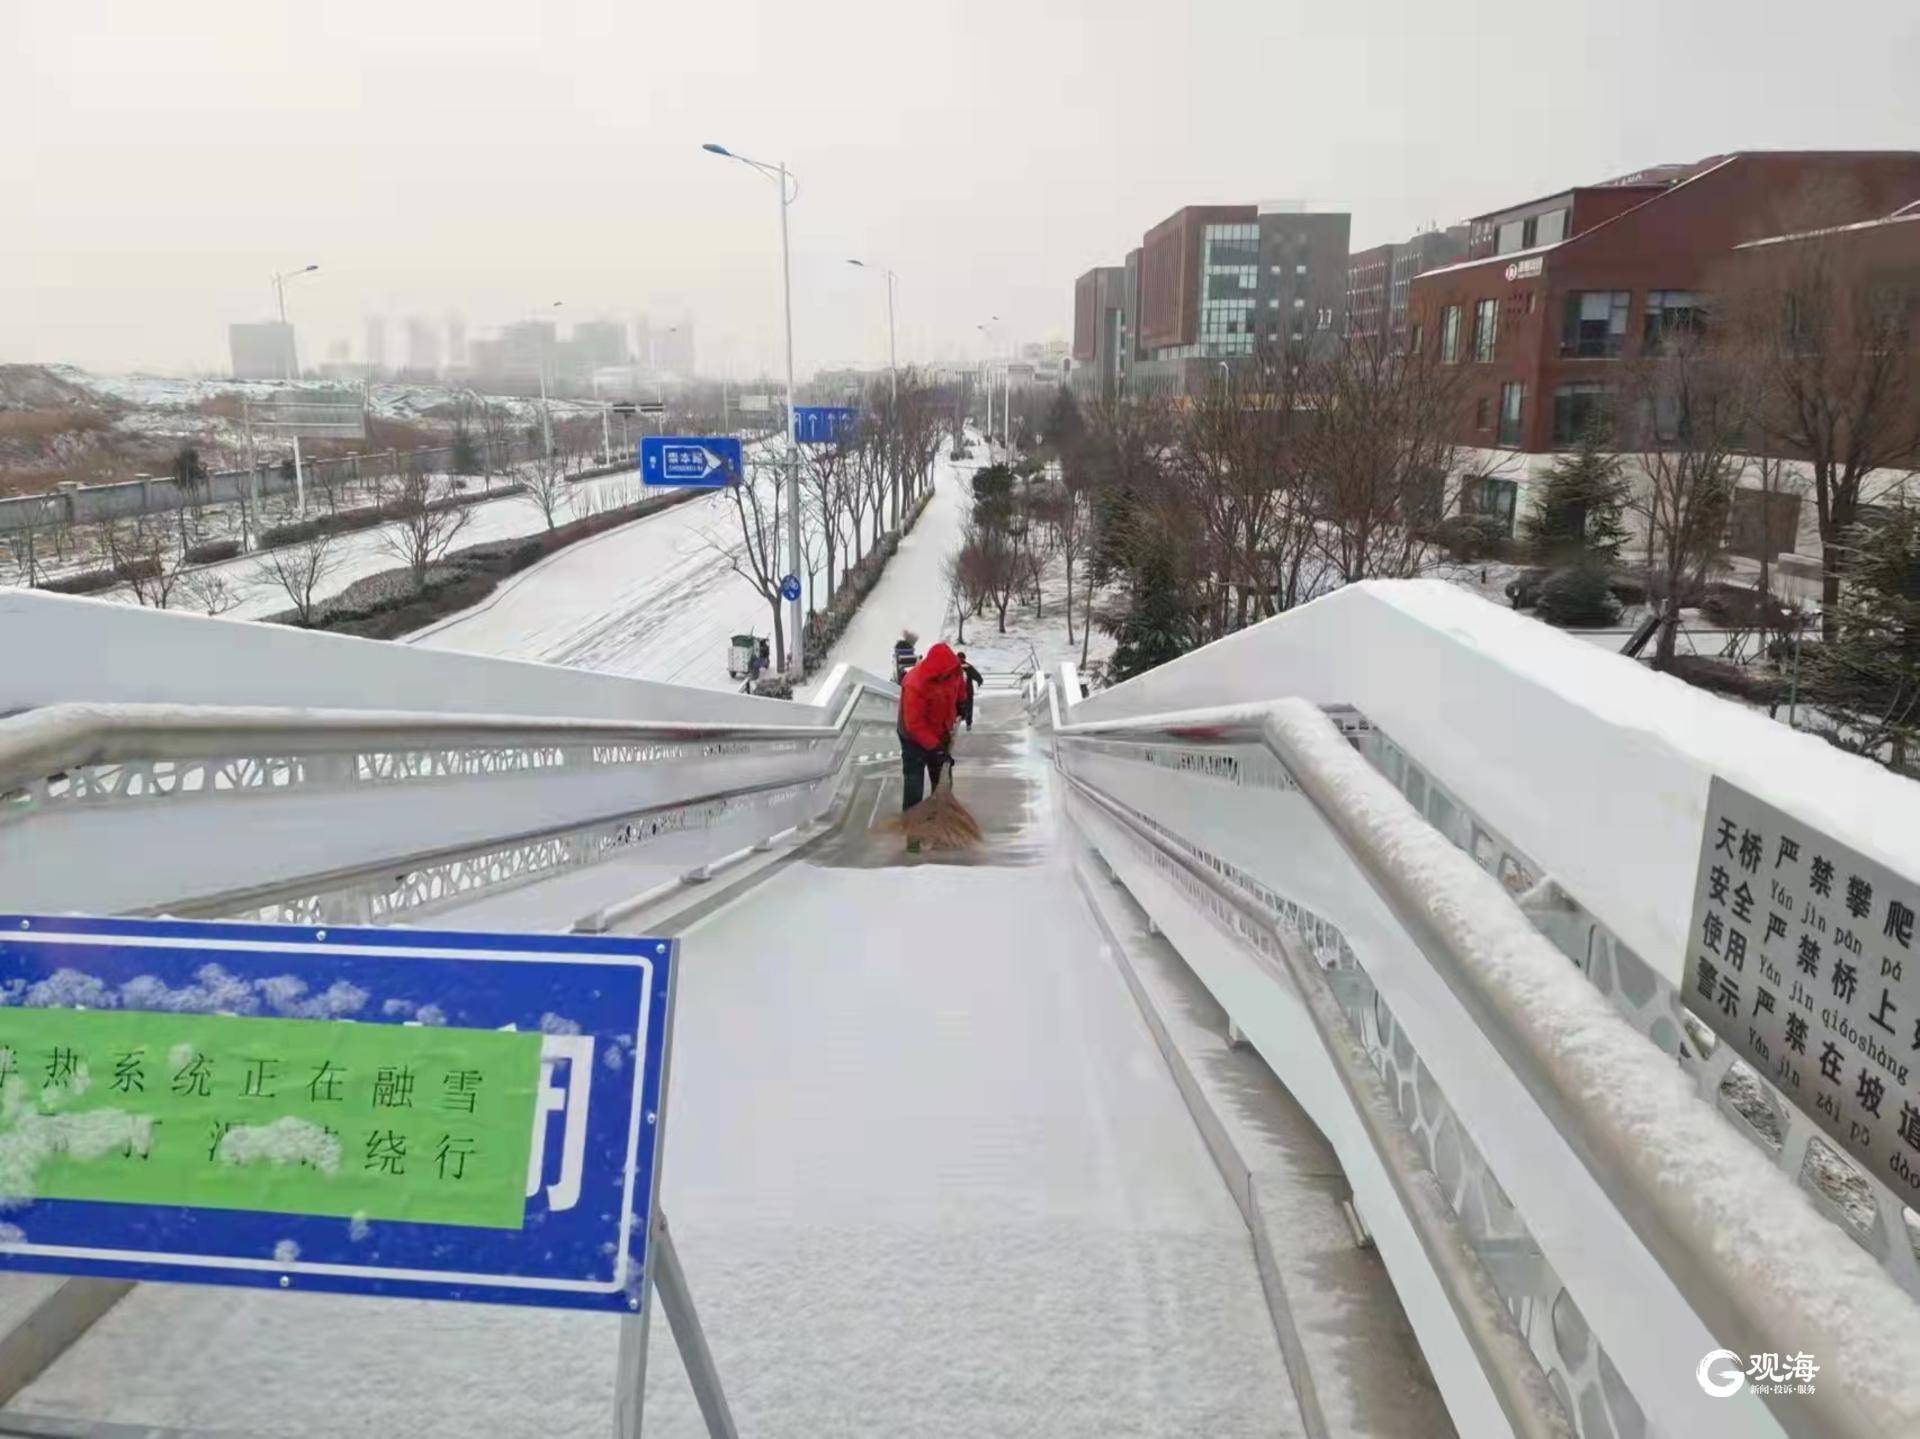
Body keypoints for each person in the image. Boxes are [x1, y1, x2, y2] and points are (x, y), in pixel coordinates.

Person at [897, 642, 963, 847]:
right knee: (914, 785)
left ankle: (939, 831)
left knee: (943, 783)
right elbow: (914, 724)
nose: (950, 677)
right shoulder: (915, 683)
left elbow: (958, 687)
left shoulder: (953, 672)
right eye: (945, 674)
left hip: (940, 731)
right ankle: (913, 837)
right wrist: (935, 749)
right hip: (912, 739)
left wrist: (963, 702)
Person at [956, 650, 984, 731]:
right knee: (969, 707)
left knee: (956, 707)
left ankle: (955, 721)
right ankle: (968, 724)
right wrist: (980, 680)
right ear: (964, 658)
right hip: (968, 691)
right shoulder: (968, 667)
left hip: (957, 693)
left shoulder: (953, 666)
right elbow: (976, 675)